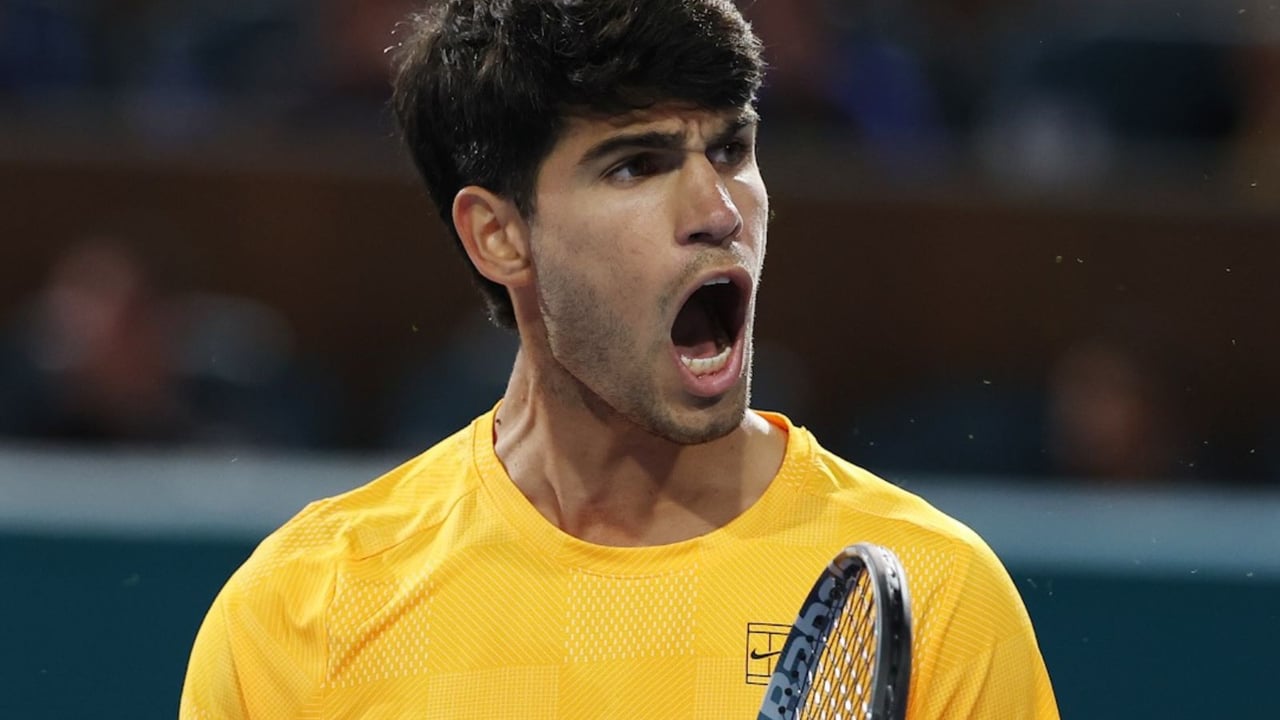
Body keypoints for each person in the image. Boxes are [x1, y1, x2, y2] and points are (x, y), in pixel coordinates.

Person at [180, 1, 1059, 717]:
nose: (719, 210)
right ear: (499, 236)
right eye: (636, 165)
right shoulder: (302, 613)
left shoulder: (937, 600)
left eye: (731, 149)